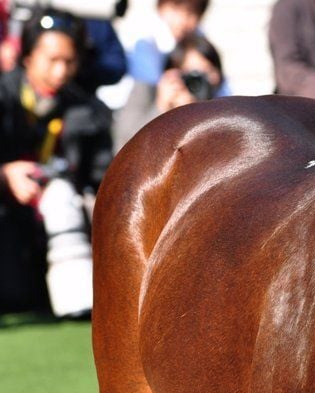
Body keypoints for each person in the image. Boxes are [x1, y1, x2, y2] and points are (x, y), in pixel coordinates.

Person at [0, 7, 112, 316]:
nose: (61, 71)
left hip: (65, 222)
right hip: (8, 216)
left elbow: (103, 178)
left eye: (69, 61)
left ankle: (77, 301)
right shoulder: (4, 96)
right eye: (52, 60)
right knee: (13, 295)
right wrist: (6, 174)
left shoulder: (88, 110)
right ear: (28, 56)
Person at [114, 33, 227, 151]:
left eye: (206, 72)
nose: (198, 82)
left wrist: (193, 114)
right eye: (192, 74)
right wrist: (162, 108)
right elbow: (123, 145)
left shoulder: (225, 106)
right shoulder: (148, 91)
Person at [125, 0, 209, 87]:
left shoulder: (197, 40)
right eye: (176, 9)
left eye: (192, 13)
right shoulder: (143, 41)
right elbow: (147, 89)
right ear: (160, 6)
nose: (182, 20)